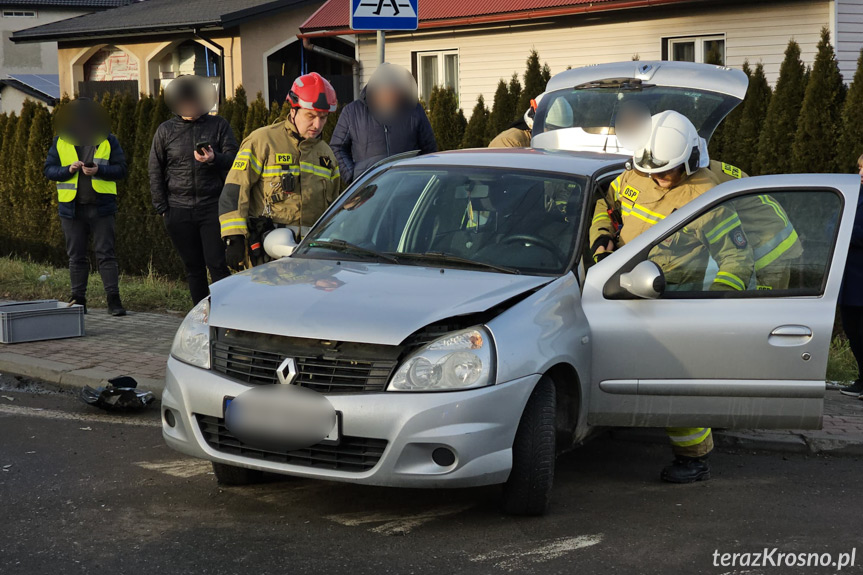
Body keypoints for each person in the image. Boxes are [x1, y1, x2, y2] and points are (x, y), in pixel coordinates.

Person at [589, 110, 755, 483]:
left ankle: (693, 458)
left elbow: (736, 257)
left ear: (690, 160)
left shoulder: (705, 195)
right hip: (614, 288)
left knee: (669, 379)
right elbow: (605, 205)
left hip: (667, 298)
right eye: (651, 171)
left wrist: (715, 304)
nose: (657, 179)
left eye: (665, 172)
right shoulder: (638, 172)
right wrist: (602, 236)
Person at [219, 72, 341, 270]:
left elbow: (335, 209)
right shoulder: (262, 141)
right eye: (310, 116)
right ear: (293, 110)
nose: (317, 125)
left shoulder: (326, 155)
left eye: (323, 117)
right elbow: (235, 189)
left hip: (311, 261)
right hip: (267, 258)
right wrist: (234, 238)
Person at [149, 75, 238, 305]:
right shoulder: (165, 131)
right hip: (178, 210)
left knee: (217, 263)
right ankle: (200, 314)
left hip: (211, 207)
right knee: (193, 267)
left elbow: (233, 160)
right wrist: (163, 209)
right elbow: (155, 169)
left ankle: (224, 311)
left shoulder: (218, 125)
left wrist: (213, 159)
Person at [43, 98, 128, 316]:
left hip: (101, 207)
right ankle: (78, 300)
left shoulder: (108, 140)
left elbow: (121, 170)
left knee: (106, 254)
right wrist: (67, 170)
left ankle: (114, 301)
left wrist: (99, 170)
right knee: (76, 256)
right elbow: (49, 171)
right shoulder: (61, 141)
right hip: (72, 209)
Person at [330, 63, 436, 186]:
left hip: (408, 188)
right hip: (369, 192)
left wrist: (422, 178)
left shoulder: (414, 110)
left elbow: (429, 148)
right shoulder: (352, 112)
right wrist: (353, 177)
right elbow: (337, 147)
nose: (389, 96)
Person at [706, 159, 803, 290]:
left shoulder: (706, 179)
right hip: (774, 234)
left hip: (769, 246)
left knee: (764, 307)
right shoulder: (715, 168)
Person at [839, 154, 863, 397]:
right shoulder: (853, 195)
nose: (861, 173)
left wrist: (846, 229)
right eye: (859, 168)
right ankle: (861, 378)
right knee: (852, 329)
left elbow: (844, 227)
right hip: (849, 280)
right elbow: (832, 223)